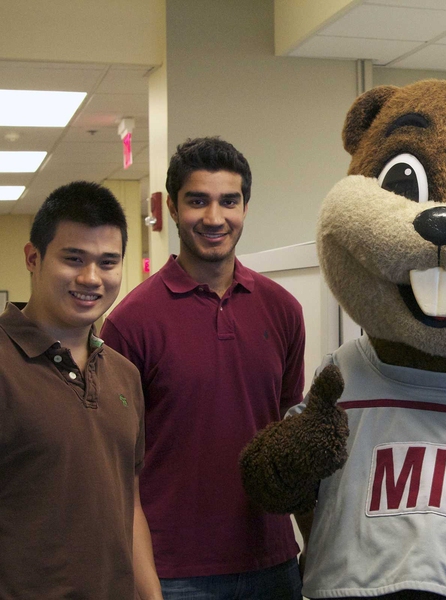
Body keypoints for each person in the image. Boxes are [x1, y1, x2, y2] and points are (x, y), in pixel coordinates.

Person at [101, 137, 306, 599]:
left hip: (272, 560)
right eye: (198, 201)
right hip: (174, 571)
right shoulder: (130, 323)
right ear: (172, 208)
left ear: (245, 207)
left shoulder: (283, 310)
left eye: (228, 201)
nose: (214, 218)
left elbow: (292, 435)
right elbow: (117, 469)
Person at [0, 181, 162, 599]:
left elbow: (130, 507)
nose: (91, 278)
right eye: (74, 259)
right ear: (33, 258)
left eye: (108, 262)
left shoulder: (124, 375)